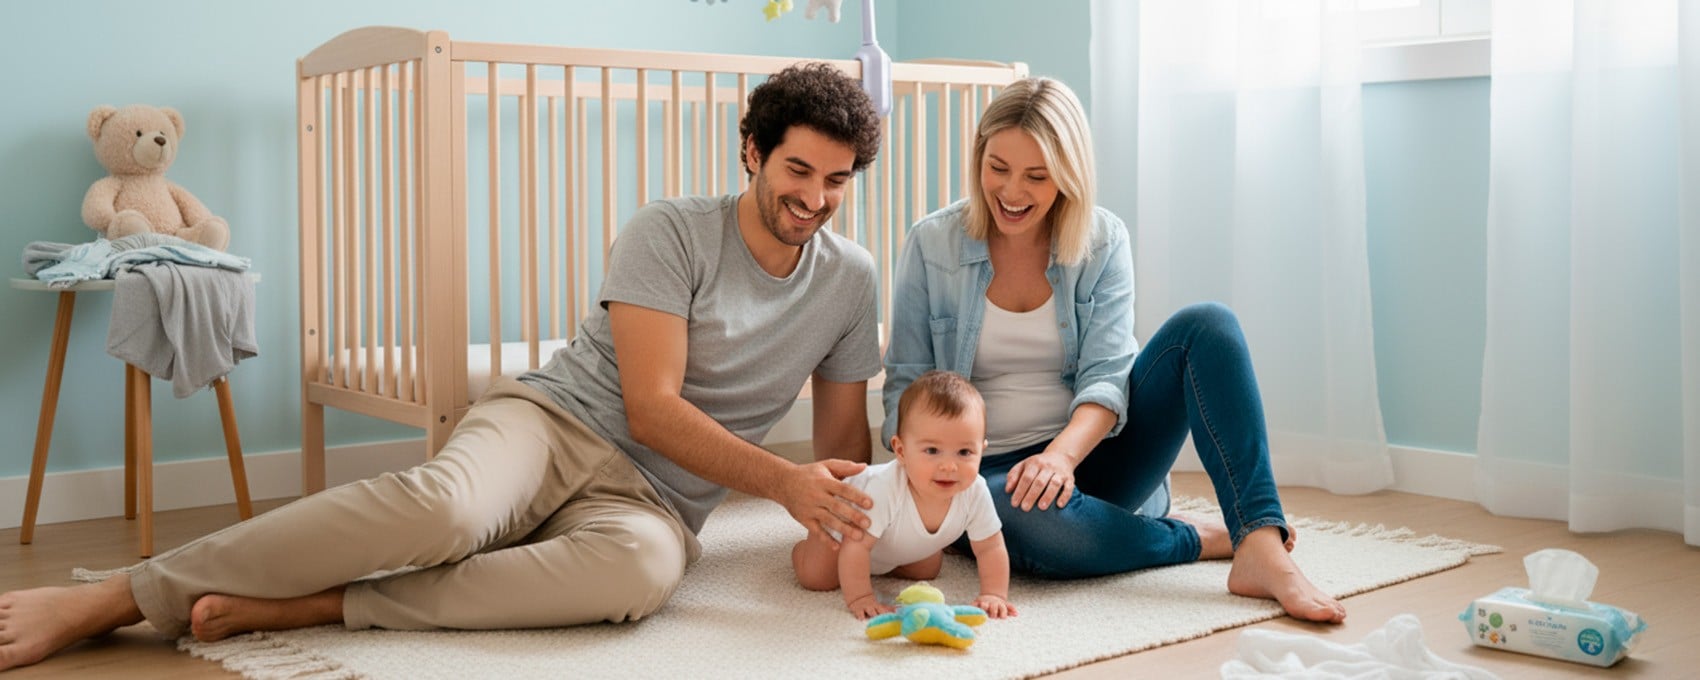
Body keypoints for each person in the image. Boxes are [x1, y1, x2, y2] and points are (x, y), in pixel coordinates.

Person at [0, 62, 888, 671]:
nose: (813, 199)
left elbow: (842, 441)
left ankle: (326, 605)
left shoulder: (850, 280)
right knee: (449, 509)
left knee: (639, 579)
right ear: (751, 152)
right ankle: (120, 594)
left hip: (652, 503)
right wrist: (784, 481)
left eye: (837, 180)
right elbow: (650, 410)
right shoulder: (671, 231)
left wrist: (872, 525)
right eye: (796, 171)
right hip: (555, 424)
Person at [880, 77, 1347, 624]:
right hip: (983, 475)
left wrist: (1059, 457)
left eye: (1037, 175)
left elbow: (1107, 374)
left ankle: (1260, 544)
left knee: (1210, 326)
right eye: (997, 168)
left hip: (1091, 454)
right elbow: (906, 383)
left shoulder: (1102, 241)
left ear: (1070, 175)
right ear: (979, 156)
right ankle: (1190, 538)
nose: (1011, 192)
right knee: (1016, 511)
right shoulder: (932, 243)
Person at [791, 370, 1016, 620]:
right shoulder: (883, 488)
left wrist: (995, 594)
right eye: (932, 450)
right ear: (901, 450)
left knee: (927, 569)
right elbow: (856, 545)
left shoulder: (975, 490)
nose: (949, 466)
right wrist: (861, 597)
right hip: (846, 535)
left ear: (981, 451)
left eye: (964, 452)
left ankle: (889, 561)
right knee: (816, 577)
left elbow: (990, 547)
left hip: (891, 542)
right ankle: (803, 548)